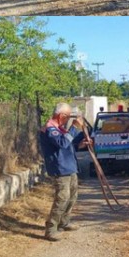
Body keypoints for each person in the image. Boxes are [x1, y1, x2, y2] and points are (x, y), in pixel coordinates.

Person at [39, 103, 91, 241]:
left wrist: (79, 145)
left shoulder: (60, 129)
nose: (68, 119)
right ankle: (50, 229)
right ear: (61, 115)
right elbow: (62, 143)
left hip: (70, 168)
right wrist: (74, 127)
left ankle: (64, 222)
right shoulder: (50, 129)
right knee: (62, 199)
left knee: (72, 197)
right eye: (67, 116)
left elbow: (67, 146)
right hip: (60, 169)